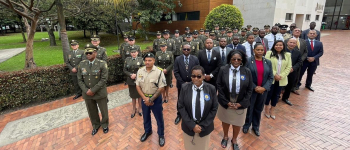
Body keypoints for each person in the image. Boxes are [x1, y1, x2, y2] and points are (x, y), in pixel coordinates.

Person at [216, 50, 253, 150]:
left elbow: (250, 89)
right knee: (225, 121)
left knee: (237, 123)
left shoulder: (247, 71)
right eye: (234, 59)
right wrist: (225, 102)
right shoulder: (223, 69)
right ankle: (225, 136)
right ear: (230, 60)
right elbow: (219, 85)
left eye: (238, 59)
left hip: (240, 102)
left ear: (242, 61)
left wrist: (241, 103)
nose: (236, 61)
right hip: (226, 101)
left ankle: (235, 139)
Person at [178, 65, 218, 150]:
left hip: (205, 128)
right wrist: (192, 125)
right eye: (193, 76)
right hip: (188, 127)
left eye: (199, 76)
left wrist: (203, 126)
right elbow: (181, 107)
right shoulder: (185, 88)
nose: (196, 79)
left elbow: (214, 108)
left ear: (203, 76)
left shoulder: (211, 89)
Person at [77, 44, 109, 135]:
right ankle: (95, 125)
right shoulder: (82, 64)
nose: (88, 55)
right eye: (86, 53)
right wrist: (86, 90)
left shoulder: (102, 64)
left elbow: (104, 79)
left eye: (90, 53)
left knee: (103, 110)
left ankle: (105, 125)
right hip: (87, 93)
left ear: (95, 53)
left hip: (99, 92)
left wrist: (93, 90)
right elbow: (79, 79)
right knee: (92, 111)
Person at [136, 53, 166, 147]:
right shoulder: (140, 71)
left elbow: (162, 87)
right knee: (145, 117)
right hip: (144, 98)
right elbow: (137, 86)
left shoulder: (159, 72)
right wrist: (145, 98)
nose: (147, 62)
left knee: (159, 118)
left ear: (154, 61)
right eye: (146, 60)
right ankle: (148, 131)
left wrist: (151, 99)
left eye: (150, 60)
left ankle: (161, 135)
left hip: (156, 99)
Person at [242, 43, 273, 136]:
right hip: (251, 90)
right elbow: (245, 76)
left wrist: (264, 88)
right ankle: (246, 125)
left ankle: (256, 126)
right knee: (249, 108)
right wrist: (255, 87)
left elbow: (271, 77)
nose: (260, 51)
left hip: (263, 91)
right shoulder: (248, 61)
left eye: (261, 50)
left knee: (259, 109)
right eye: (258, 50)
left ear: (264, 51)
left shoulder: (268, 62)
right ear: (253, 50)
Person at [264, 40, 292, 120]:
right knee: (269, 94)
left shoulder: (287, 55)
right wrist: (275, 74)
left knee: (276, 95)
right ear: (274, 45)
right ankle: (266, 108)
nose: (278, 46)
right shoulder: (269, 53)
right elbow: (266, 64)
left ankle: (272, 109)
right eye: (277, 45)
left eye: (280, 45)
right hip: (271, 78)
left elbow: (289, 67)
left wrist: (281, 76)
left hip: (281, 79)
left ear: (283, 46)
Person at [173, 44, 200, 125]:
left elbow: (198, 71)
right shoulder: (178, 59)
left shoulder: (195, 59)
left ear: (190, 50)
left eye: (188, 49)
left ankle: (191, 115)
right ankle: (179, 115)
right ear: (182, 50)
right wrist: (182, 83)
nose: (186, 51)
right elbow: (176, 72)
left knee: (192, 99)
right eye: (185, 49)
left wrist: (192, 82)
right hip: (181, 84)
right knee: (180, 100)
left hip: (193, 84)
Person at [285, 28, 308, 95]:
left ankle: (293, 88)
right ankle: (282, 90)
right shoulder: (286, 40)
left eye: (299, 31)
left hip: (296, 64)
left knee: (296, 77)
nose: (297, 31)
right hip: (286, 64)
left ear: (300, 33)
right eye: (296, 30)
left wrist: (301, 59)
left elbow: (305, 52)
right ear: (292, 32)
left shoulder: (303, 41)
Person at [281, 38, 302, 106]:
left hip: (292, 72)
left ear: (296, 44)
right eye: (291, 42)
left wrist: (293, 68)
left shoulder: (298, 52)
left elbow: (299, 62)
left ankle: (285, 98)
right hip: (282, 71)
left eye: (294, 43)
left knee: (289, 86)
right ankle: (276, 96)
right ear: (287, 43)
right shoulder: (282, 51)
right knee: (279, 85)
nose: (292, 44)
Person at [123, 48, 144, 118]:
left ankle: (140, 108)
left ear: (137, 52)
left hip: (139, 80)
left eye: (135, 52)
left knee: (139, 95)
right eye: (132, 52)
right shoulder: (127, 60)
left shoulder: (141, 59)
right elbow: (125, 70)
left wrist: (136, 75)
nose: (133, 53)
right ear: (130, 53)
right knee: (133, 96)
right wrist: (130, 75)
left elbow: (143, 69)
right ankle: (134, 109)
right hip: (130, 80)